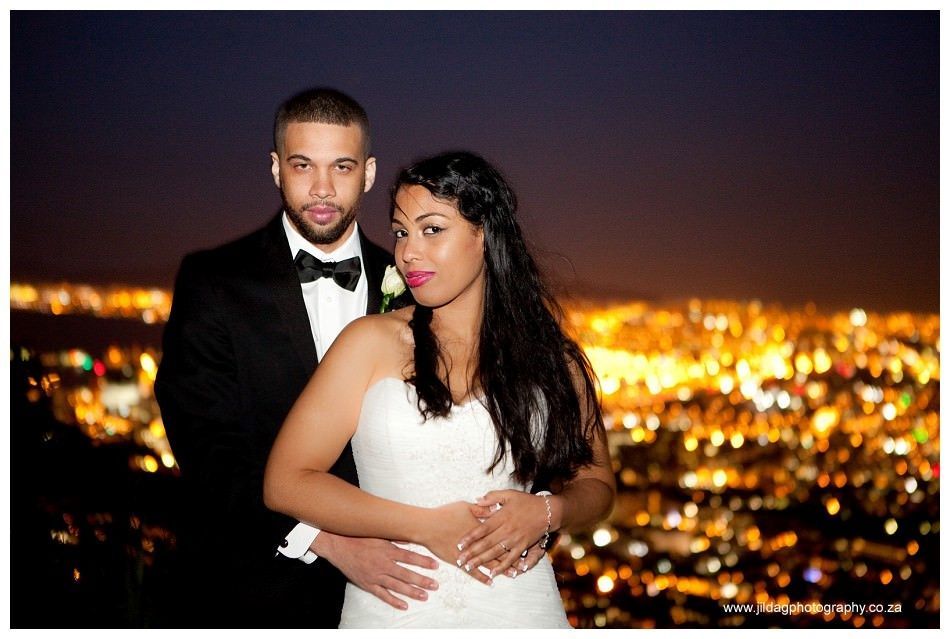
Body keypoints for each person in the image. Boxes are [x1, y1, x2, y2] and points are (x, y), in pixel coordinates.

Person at [264, 151, 617, 627]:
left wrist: (549, 512)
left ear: (486, 235)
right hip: (396, 607)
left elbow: (598, 486)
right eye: (401, 232)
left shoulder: (551, 360)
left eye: (432, 229)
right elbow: (285, 482)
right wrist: (425, 526)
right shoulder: (369, 343)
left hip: (520, 608)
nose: (408, 252)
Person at [154, 88, 442, 627]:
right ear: (275, 168)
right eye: (303, 165)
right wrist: (326, 540)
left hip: (400, 594)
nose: (323, 189)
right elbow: (205, 447)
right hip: (250, 591)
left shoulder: (416, 288)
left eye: (342, 166)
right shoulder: (213, 281)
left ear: (370, 172)